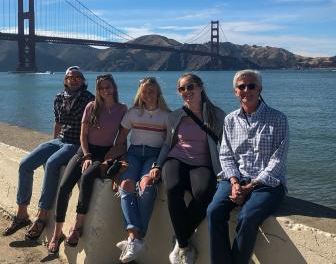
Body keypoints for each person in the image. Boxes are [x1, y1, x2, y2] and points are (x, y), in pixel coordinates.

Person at [1, 66, 94, 240]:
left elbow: (92, 127)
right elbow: (58, 123)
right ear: (65, 80)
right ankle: (22, 214)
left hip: (75, 143)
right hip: (59, 140)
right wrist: (52, 143)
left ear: (83, 80)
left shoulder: (89, 100)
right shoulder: (58, 98)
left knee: (52, 164)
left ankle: (42, 216)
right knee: (25, 165)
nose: (73, 80)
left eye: (77, 77)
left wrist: (88, 151)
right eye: (70, 77)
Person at [207, 69, 289, 264]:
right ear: (236, 92)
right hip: (237, 178)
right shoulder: (230, 120)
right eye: (241, 86)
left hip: (268, 183)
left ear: (260, 89)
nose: (246, 90)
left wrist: (251, 186)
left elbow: (278, 161)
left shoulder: (278, 118)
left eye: (251, 85)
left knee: (248, 217)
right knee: (214, 211)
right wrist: (235, 183)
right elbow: (225, 155)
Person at [47, 74, 127, 254]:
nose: (105, 90)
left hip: (104, 153)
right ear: (98, 91)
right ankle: (56, 233)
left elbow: (121, 141)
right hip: (85, 150)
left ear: (114, 87)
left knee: (87, 177)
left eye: (108, 86)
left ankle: (77, 226)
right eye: (101, 88)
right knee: (65, 185)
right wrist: (86, 155)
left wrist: (109, 159)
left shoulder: (122, 109)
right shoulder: (91, 106)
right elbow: (83, 135)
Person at [150, 73, 225, 264]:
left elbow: (226, 146)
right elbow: (167, 144)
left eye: (190, 87)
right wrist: (157, 165)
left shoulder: (217, 115)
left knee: (204, 194)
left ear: (200, 87)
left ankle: (180, 240)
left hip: (203, 163)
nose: (186, 92)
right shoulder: (175, 116)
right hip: (176, 159)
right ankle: (184, 247)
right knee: (173, 188)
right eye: (182, 89)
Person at [114, 77, 171, 263]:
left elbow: (168, 145)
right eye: (144, 92)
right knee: (126, 184)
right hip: (134, 153)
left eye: (151, 91)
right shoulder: (132, 113)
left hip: (154, 155)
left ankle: (134, 238)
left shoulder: (167, 116)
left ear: (158, 93)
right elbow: (121, 139)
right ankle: (135, 238)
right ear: (140, 93)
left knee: (146, 185)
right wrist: (120, 160)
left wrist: (158, 165)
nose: (148, 95)